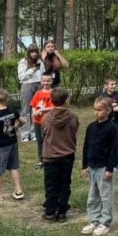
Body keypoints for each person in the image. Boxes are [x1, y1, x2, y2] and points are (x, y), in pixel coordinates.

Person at [81, 97, 118, 236]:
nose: (96, 112)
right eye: (95, 109)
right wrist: (84, 165)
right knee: (93, 196)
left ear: (108, 111)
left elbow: (114, 150)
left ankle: (105, 222)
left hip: (104, 168)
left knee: (106, 196)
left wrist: (110, 169)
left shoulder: (112, 128)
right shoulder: (91, 127)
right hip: (92, 166)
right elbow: (86, 146)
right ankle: (95, 220)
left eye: (99, 110)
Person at [41, 88, 79, 222]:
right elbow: (75, 129)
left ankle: (50, 212)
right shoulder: (73, 117)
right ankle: (62, 211)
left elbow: (43, 133)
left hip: (50, 156)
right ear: (66, 100)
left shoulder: (46, 118)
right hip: (67, 155)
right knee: (64, 183)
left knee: (51, 184)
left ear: (51, 101)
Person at [17, 46, 44, 142]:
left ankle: (34, 133)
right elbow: (21, 77)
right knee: (26, 110)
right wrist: (32, 70)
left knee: (36, 109)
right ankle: (25, 134)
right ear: (28, 53)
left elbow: (43, 74)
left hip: (38, 85)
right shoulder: (23, 62)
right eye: (32, 52)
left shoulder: (40, 61)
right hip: (27, 85)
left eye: (35, 52)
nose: (34, 54)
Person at [30, 74, 55, 169]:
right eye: (44, 81)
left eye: (48, 81)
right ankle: (41, 160)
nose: (46, 83)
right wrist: (34, 112)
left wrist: (41, 110)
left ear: (52, 81)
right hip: (37, 121)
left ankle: (50, 159)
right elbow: (33, 105)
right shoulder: (38, 93)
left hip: (48, 121)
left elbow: (54, 107)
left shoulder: (53, 93)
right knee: (39, 140)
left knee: (48, 140)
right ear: (41, 81)